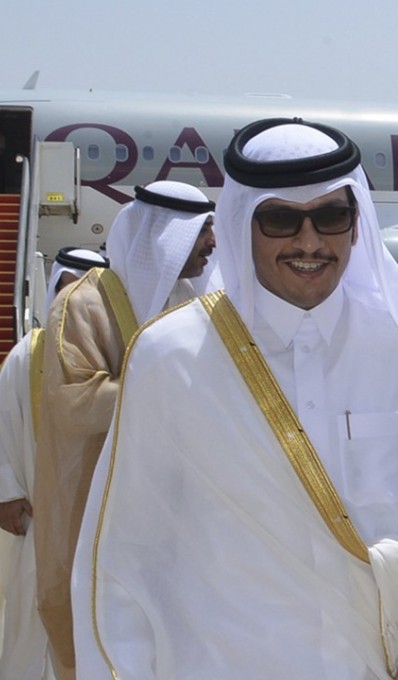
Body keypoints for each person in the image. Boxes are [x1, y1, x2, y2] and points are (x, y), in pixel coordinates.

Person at [71, 119, 398, 679]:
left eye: (330, 216)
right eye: (280, 219)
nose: (309, 242)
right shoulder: (171, 355)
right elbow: (126, 560)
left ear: (355, 223)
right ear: (243, 224)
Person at [34, 181, 216, 679]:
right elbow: (75, 403)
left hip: (180, 509)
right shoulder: (82, 306)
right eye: (202, 231)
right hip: (99, 499)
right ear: (166, 236)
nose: (213, 243)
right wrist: (174, 389)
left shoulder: (190, 303)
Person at [0, 248, 106, 680]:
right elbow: (4, 423)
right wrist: (7, 492)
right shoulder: (29, 352)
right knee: (34, 611)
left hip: (96, 518)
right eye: (68, 289)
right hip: (40, 516)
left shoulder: (112, 354)